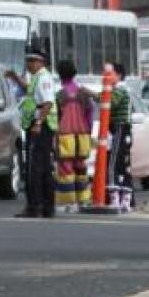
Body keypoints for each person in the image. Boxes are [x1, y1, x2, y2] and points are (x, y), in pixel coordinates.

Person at [7, 45, 56, 218]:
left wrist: (38, 122)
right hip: (37, 125)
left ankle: (35, 206)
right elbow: (30, 89)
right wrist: (15, 78)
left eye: (31, 61)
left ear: (40, 62)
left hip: (40, 126)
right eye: (27, 60)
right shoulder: (37, 77)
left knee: (35, 169)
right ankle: (44, 206)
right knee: (40, 167)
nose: (28, 64)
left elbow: (48, 103)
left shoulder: (43, 78)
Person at [55, 58, 94, 214]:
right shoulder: (83, 94)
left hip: (65, 136)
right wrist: (88, 131)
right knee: (81, 169)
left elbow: (55, 117)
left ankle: (67, 203)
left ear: (60, 75)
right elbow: (90, 114)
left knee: (66, 170)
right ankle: (83, 200)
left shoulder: (59, 95)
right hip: (83, 135)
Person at [108, 62, 133, 212]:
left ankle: (115, 199)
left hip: (120, 128)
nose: (106, 77)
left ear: (118, 75)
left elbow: (110, 102)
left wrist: (95, 95)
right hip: (126, 130)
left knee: (113, 165)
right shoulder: (125, 88)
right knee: (125, 166)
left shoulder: (119, 89)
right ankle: (126, 201)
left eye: (109, 74)